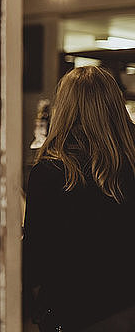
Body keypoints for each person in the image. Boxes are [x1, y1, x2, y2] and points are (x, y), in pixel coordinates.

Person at [23, 66, 135, 331]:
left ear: (64, 109)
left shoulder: (50, 171)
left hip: (73, 312)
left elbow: (35, 258)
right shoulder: (130, 165)